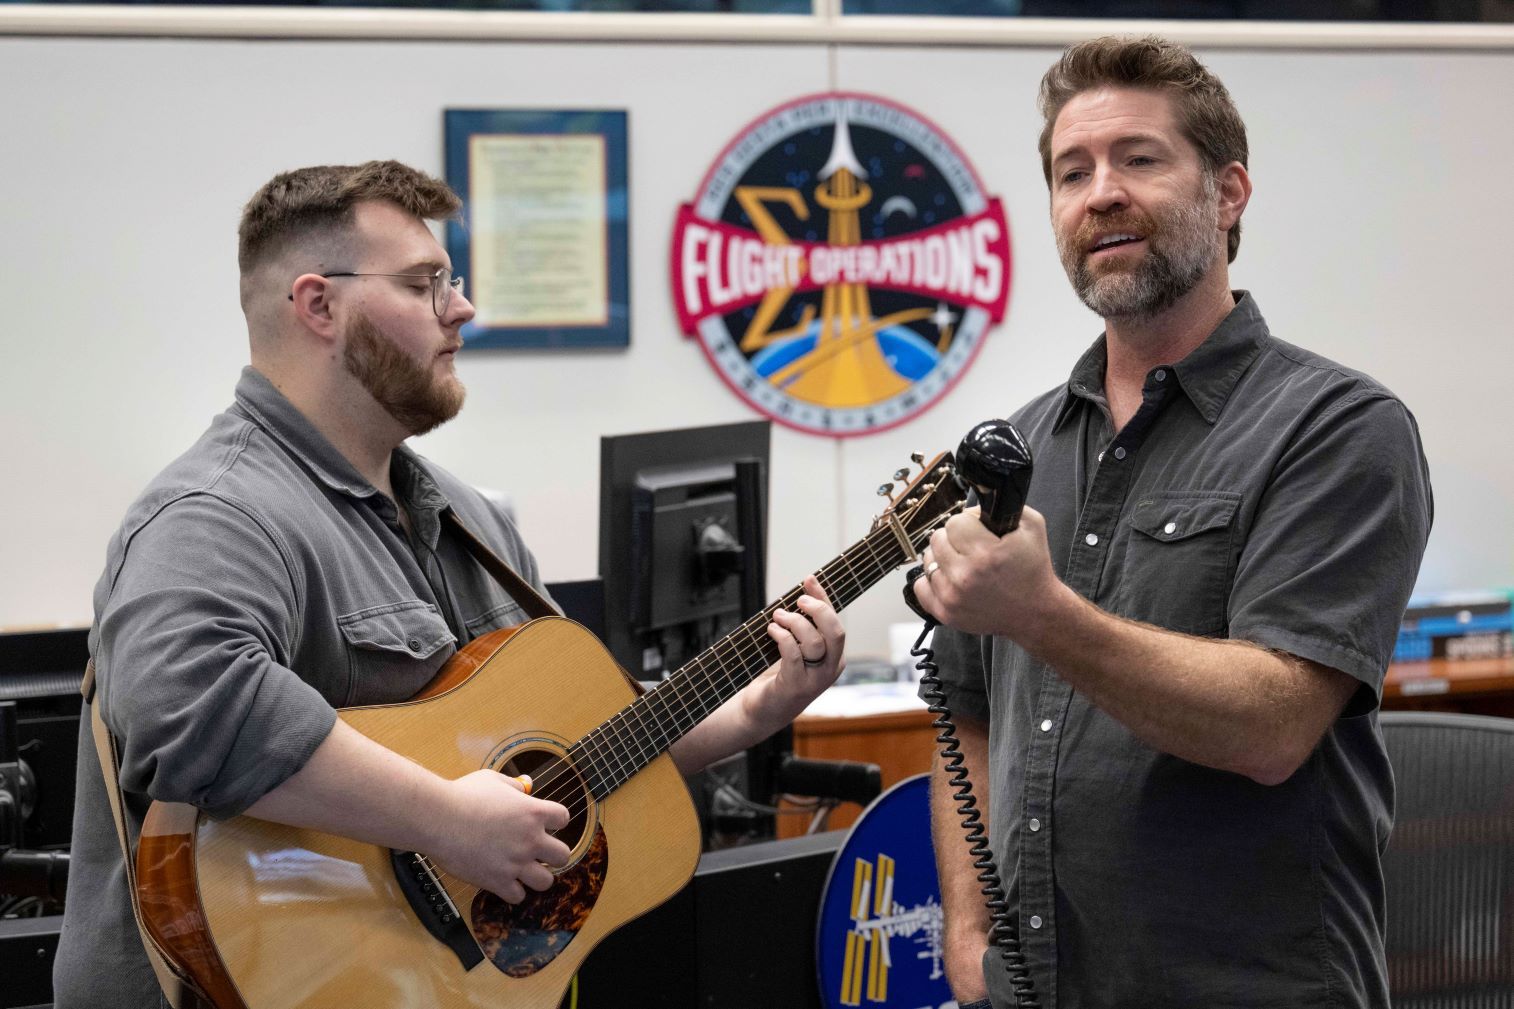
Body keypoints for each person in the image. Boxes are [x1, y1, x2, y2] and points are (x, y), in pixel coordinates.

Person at [53, 160, 847, 1008]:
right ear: (319, 305)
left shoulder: (471, 519)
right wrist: (442, 819)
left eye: (452, 281)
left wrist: (757, 709)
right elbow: (186, 709)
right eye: (425, 283)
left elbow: (587, 746)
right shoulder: (214, 513)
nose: (461, 308)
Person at [912, 36, 1432, 1009]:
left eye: (1137, 159)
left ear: (1227, 193)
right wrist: (968, 929)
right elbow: (965, 710)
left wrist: (1045, 614)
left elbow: (1272, 724)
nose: (1099, 193)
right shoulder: (1017, 449)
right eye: (1071, 173)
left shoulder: (1337, 430)